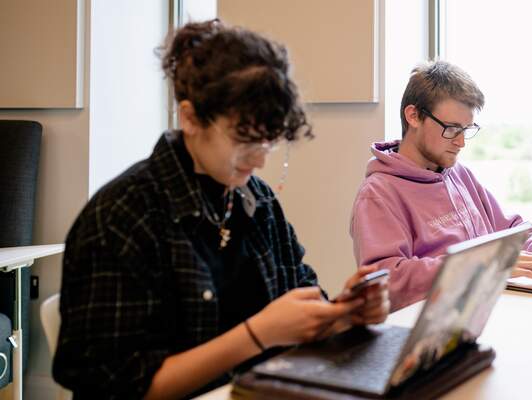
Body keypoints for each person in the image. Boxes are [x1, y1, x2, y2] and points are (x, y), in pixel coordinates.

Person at [53, 20, 389, 399]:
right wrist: (257, 335)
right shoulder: (123, 216)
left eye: (268, 142)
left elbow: (301, 297)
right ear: (190, 118)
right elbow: (116, 386)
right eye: (245, 141)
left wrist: (343, 314)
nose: (260, 161)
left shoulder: (256, 200)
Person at [350, 61, 532, 310]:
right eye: (451, 129)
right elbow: (385, 281)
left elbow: (507, 230)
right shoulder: (379, 194)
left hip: (484, 308)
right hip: (432, 324)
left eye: (466, 129)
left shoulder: (458, 174)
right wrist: (478, 266)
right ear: (413, 116)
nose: (461, 142)